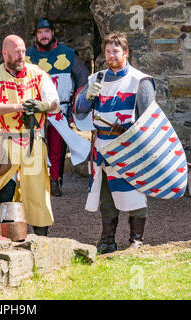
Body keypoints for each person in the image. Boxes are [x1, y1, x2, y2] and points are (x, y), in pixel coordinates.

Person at [74, 31, 156, 254]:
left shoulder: (140, 81)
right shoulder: (96, 79)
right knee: (107, 195)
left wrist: (143, 149)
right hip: (102, 145)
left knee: (134, 192)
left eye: (115, 51)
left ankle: (136, 240)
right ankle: (107, 241)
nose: (111, 55)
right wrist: (88, 95)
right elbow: (80, 110)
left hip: (128, 145)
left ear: (126, 53)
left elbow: (148, 118)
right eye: (108, 51)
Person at [0, 34, 61, 236]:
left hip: (33, 141)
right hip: (4, 141)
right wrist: (19, 107)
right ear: (5, 53)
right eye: (16, 52)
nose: (21, 56)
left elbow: (55, 103)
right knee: (2, 190)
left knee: (38, 192)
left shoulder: (38, 74)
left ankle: (41, 240)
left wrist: (42, 105)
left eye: (23, 51)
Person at [26, 18, 89, 196]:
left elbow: (83, 80)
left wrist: (75, 104)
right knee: (34, 145)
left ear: (53, 33)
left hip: (59, 109)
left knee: (56, 147)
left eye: (47, 31)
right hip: (34, 110)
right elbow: (13, 75)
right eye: (40, 32)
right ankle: (34, 181)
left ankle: (55, 181)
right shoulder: (27, 56)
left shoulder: (68, 54)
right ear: (36, 35)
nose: (43, 35)